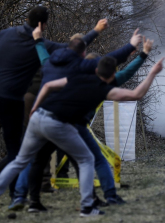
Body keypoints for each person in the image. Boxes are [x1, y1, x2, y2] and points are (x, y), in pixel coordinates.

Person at [0, 51, 165, 216]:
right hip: (59, 124)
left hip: (38, 117)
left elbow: (48, 86)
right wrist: (152, 72)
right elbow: (136, 94)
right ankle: (87, 207)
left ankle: (22, 197)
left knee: (21, 161)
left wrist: (36, 107)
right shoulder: (103, 90)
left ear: (95, 70)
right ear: (112, 74)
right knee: (87, 160)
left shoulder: (76, 76)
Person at [19, 23, 143, 212]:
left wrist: (38, 41)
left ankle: (25, 198)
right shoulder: (98, 83)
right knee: (91, 160)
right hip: (71, 125)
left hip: (51, 120)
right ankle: (102, 197)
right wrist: (141, 54)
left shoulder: (65, 72)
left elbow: (45, 61)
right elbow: (125, 74)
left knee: (35, 159)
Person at [0, 6, 107, 200]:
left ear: (26, 18)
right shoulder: (43, 47)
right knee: (19, 151)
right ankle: (17, 194)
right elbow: (74, 49)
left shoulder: (5, 34)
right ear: (43, 25)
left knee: (25, 152)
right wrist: (97, 30)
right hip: (16, 100)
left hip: (19, 99)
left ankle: (21, 192)